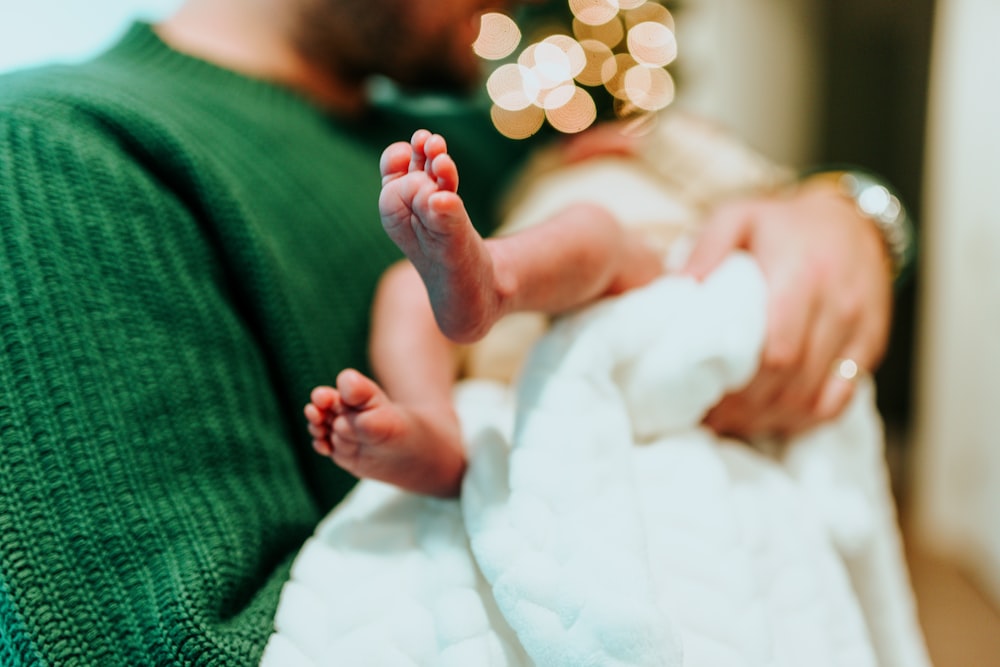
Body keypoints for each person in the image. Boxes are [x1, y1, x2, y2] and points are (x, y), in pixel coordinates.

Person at [0, 0, 903, 663]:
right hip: (502, 377)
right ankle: (453, 371)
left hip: (637, 307)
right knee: (419, 290)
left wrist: (852, 218)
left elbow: (748, 183)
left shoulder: (477, 129)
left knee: (587, 238)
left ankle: (496, 282)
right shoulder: (63, 152)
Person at [303, 128, 663, 497]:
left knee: (594, 224)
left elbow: (727, 207)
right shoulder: (542, 169)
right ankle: (434, 429)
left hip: (628, 277)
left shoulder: (676, 150)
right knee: (407, 284)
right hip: (533, 287)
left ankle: (497, 280)